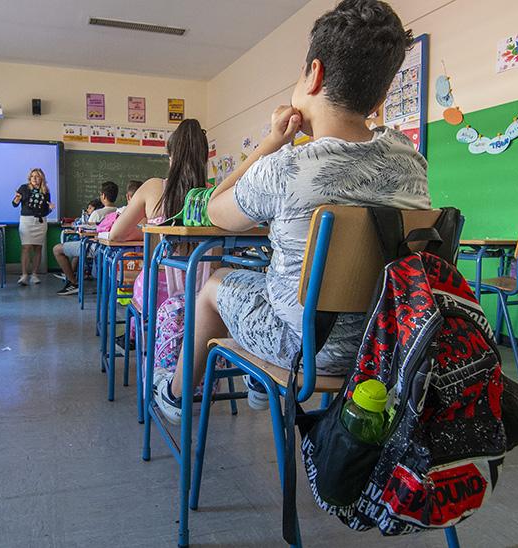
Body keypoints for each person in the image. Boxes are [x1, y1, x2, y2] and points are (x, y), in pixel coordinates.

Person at [153, 0, 432, 424]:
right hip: (388, 342)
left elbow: (214, 211)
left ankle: (174, 396)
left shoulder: (286, 167)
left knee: (215, 282)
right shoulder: (411, 162)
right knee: (270, 277)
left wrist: (270, 141)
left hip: (304, 348)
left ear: (314, 74)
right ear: (382, 94)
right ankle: (258, 386)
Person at [108, 119, 212, 386]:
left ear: (170, 156)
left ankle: (139, 340)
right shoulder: (213, 195)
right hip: (203, 298)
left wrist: (148, 229)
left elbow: (116, 234)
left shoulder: (153, 187)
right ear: (205, 158)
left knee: (139, 294)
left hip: (157, 293)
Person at [53, 181, 119, 295]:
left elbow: (86, 231)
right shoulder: (119, 212)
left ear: (103, 196)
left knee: (57, 249)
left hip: (93, 247)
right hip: (109, 249)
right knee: (77, 254)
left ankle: (73, 282)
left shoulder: (97, 213)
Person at [12, 168, 54, 286]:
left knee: (38, 248)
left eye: (38, 176)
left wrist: (50, 209)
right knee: (26, 247)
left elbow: (45, 211)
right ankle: (24, 275)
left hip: (40, 221)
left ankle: (34, 275)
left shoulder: (46, 191)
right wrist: (17, 199)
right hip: (26, 221)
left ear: (42, 179)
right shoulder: (23, 188)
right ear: (29, 178)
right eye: (33, 176)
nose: (35, 178)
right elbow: (14, 204)